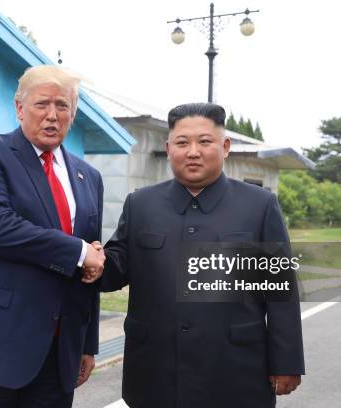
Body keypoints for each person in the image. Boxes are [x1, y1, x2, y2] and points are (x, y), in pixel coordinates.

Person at [95, 103, 305, 407]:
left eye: (205, 141)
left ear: (225, 146)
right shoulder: (141, 204)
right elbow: (117, 268)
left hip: (235, 371)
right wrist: (93, 261)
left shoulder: (259, 206)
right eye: (182, 142)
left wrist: (287, 361)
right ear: (168, 148)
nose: (193, 151)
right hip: (155, 371)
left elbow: (280, 291)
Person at [0, 65, 105, 408]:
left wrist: (87, 343)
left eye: (63, 106)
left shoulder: (89, 176)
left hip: (58, 351)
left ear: (73, 113)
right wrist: (80, 252)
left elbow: (90, 266)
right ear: (19, 108)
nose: (52, 116)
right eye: (42, 104)